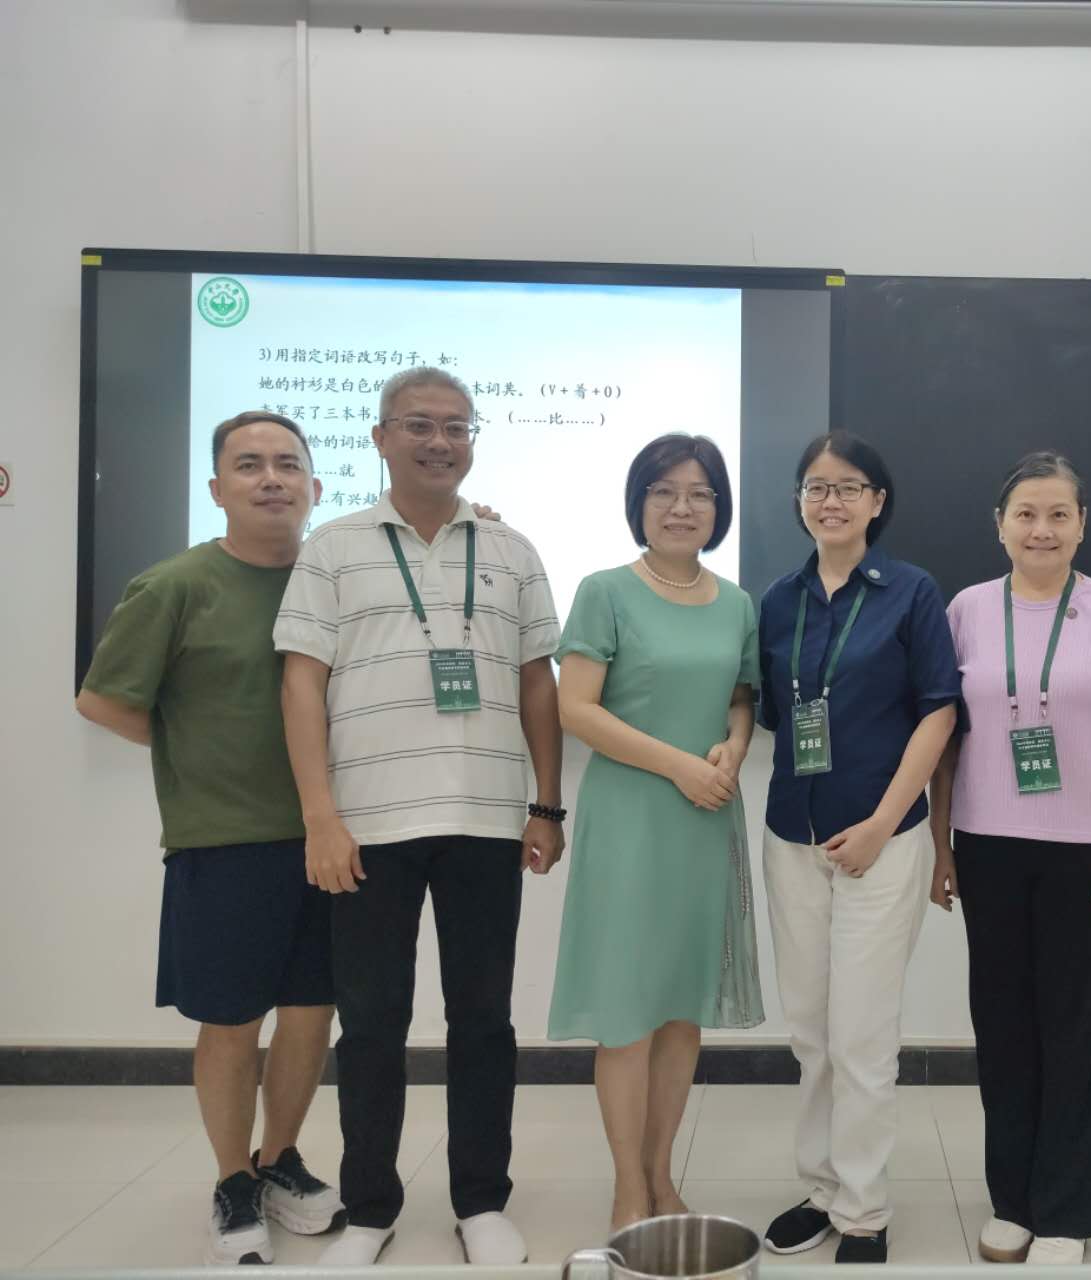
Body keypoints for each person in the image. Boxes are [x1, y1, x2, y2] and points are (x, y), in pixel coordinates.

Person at [275, 368, 565, 1266]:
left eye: (456, 426)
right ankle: (370, 1208)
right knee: (371, 1024)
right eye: (418, 425)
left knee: (484, 1020)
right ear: (380, 437)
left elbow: (536, 682)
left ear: (473, 439)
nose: (440, 441)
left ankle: (481, 1201)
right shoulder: (333, 545)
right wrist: (320, 817)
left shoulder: (511, 548)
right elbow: (301, 683)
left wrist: (547, 805)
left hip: (484, 819)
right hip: (366, 827)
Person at [76, 411, 345, 1265]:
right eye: (249, 464)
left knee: (310, 1012)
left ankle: (280, 1159)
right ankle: (233, 1178)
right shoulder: (174, 586)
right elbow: (103, 699)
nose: (271, 478)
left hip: (333, 835)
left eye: (288, 464)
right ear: (217, 487)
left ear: (315, 485)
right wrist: (194, 748)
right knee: (233, 1018)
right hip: (225, 839)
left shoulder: (334, 581)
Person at [930, 452, 1091, 1266]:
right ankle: (1013, 1202)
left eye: (1058, 515)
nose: (1041, 530)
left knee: (1076, 1032)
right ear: (999, 525)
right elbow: (943, 743)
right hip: (989, 850)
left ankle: (1069, 1211)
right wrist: (942, 847)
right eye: (1025, 514)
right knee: (1004, 1031)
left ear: (1082, 525)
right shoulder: (967, 610)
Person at [550, 433, 764, 1233]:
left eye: (701, 493)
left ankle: (662, 1173)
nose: (683, 507)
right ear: (639, 502)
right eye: (664, 491)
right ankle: (627, 1185)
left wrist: (735, 747)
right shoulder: (604, 590)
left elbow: (742, 698)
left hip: (705, 819)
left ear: (720, 508)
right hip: (634, 818)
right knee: (627, 1012)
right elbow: (577, 709)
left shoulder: (736, 600)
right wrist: (678, 765)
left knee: (681, 1010)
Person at [755, 432, 960, 1265]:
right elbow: (772, 710)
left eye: (849, 487)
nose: (830, 500)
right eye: (815, 486)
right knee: (809, 1028)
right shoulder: (777, 598)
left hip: (885, 839)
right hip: (792, 833)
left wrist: (883, 821)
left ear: (878, 501)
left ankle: (866, 1210)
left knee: (863, 1034)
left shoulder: (912, 592)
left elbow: (939, 713)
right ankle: (822, 1188)